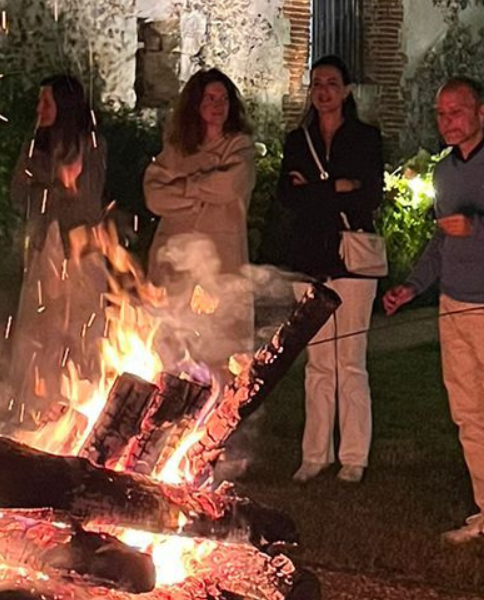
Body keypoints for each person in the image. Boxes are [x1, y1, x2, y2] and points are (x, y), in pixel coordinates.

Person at [380, 78, 484, 563]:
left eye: (457, 112)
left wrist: (480, 228)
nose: (447, 121)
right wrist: (413, 286)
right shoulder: (447, 171)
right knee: (469, 415)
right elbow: (442, 240)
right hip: (453, 304)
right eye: (440, 114)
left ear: (482, 112)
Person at [268, 56, 385, 484]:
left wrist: (316, 191)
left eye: (332, 83)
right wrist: (337, 187)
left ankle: (354, 456)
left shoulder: (366, 138)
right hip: (309, 256)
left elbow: (368, 195)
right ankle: (315, 453)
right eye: (317, 83)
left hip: (353, 259)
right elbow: (288, 196)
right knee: (318, 361)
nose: (323, 91)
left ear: (347, 90)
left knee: (350, 361)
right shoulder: (297, 140)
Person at [9, 74, 110, 420]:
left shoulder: (91, 144)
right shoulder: (35, 143)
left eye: (47, 102)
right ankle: (38, 409)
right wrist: (56, 182)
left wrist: (47, 184)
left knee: (78, 331)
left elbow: (85, 201)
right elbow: (18, 192)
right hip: (43, 250)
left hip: (80, 255)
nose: (39, 109)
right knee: (39, 331)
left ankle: (79, 408)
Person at [143, 68, 258, 370]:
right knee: (171, 347)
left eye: (223, 98)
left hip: (221, 262)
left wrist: (184, 189)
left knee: (221, 351)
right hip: (174, 264)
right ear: (196, 104)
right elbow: (155, 197)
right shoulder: (176, 150)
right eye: (210, 98)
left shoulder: (239, 147)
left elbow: (231, 185)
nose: (218, 105)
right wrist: (204, 188)